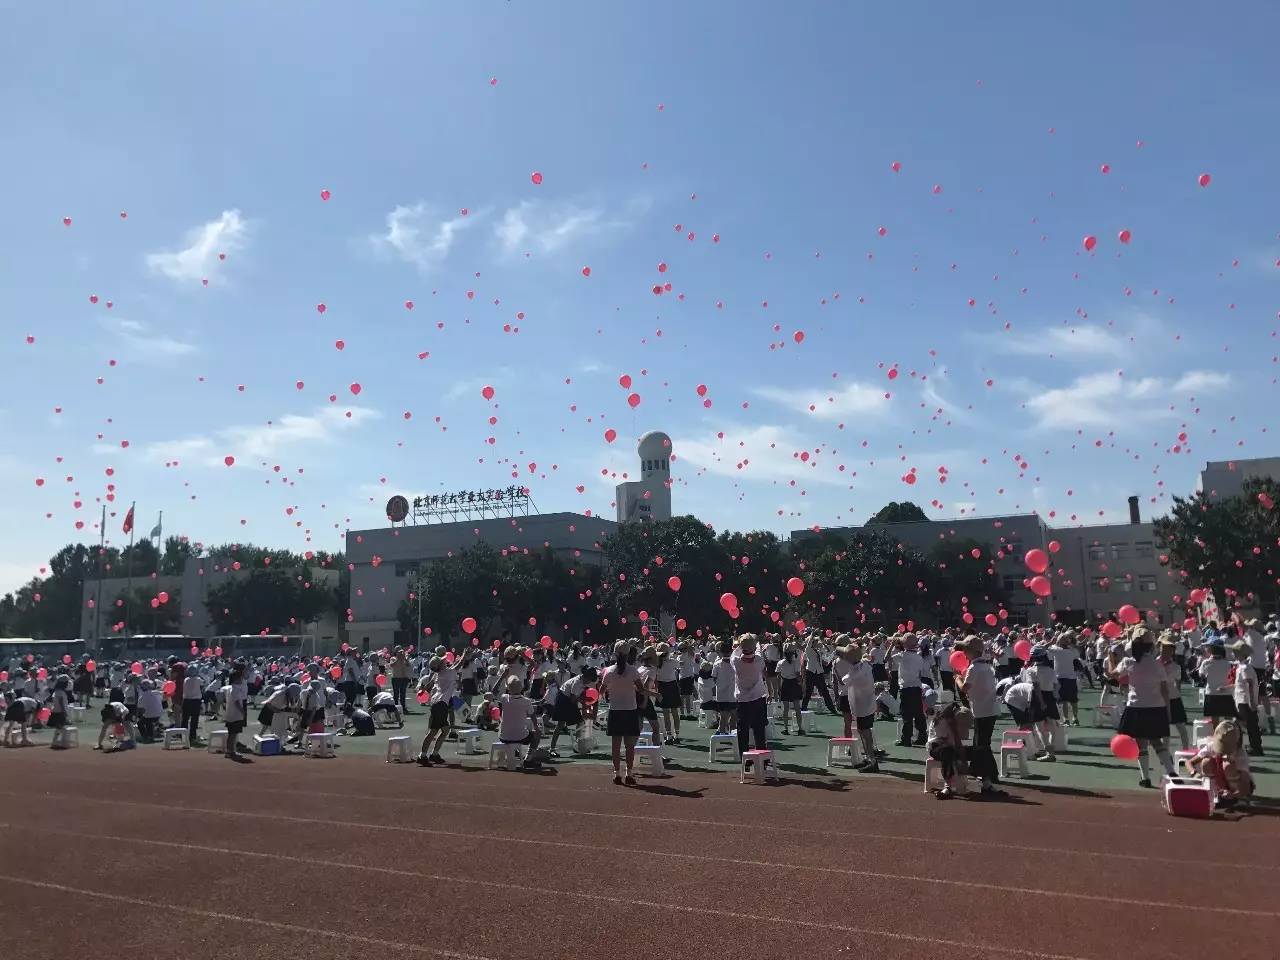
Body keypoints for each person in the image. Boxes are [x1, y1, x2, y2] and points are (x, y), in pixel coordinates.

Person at [1115, 631, 1175, 788]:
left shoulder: (1128, 662)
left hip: (1136, 707)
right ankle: (1171, 772)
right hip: (1156, 707)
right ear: (1150, 648)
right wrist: (1167, 710)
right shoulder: (1157, 665)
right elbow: (1165, 690)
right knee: (1157, 741)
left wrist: (1110, 656)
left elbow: (1111, 674)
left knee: (1141, 744)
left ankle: (1145, 778)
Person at [958, 636, 1003, 797]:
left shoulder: (974, 668)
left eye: (965, 649)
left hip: (982, 711)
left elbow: (964, 688)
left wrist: (957, 678)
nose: (963, 652)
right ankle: (989, 776)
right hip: (989, 709)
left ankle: (987, 779)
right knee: (983, 744)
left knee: (980, 746)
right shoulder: (987, 666)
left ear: (972, 651)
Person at [600, 642, 644, 784]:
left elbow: (601, 690)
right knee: (629, 745)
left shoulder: (609, 671)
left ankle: (617, 773)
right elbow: (641, 689)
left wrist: (609, 691)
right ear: (628, 654)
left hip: (615, 710)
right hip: (630, 709)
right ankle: (629, 773)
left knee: (616, 745)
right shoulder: (633, 671)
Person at [833, 643, 880, 773]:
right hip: (867, 704)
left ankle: (872, 760)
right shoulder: (864, 665)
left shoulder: (855, 673)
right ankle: (869, 758)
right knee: (863, 731)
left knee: (865, 732)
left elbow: (843, 681)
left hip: (863, 706)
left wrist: (835, 670)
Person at [1189, 719, 1254, 807]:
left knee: (1228, 765)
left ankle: (1239, 799)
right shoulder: (1211, 746)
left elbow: (1246, 786)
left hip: (1240, 788)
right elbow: (1189, 762)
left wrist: (1234, 794)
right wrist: (1194, 773)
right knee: (1206, 762)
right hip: (1221, 784)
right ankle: (1214, 792)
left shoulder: (1240, 754)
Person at [731, 634, 769, 757]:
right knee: (759, 731)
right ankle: (763, 759)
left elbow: (735, 653)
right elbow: (758, 650)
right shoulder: (758, 660)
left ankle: (744, 759)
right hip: (758, 699)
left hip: (742, 701)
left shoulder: (736, 661)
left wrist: (739, 645)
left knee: (743, 732)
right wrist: (755, 642)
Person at [496, 675, 542, 771]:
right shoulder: (526, 701)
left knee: (510, 729)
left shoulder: (504, 698)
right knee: (536, 735)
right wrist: (536, 728)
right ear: (521, 687)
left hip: (503, 737)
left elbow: (493, 691)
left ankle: (514, 752)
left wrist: (502, 677)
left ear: (508, 687)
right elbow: (533, 716)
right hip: (521, 737)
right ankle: (528, 760)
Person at [927, 701, 972, 799]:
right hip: (936, 748)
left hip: (951, 746)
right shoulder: (941, 722)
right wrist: (955, 730)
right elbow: (949, 743)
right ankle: (948, 786)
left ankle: (985, 782)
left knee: (978, 751)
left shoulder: (959, 724)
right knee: (949, 753)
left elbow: (958, 744)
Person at [548, 666, 597, 757]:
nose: (590, 682)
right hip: (563, 700)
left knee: (580, 722)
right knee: (560, 724)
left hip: (568, 699)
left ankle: (578, 746)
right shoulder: (577, 683)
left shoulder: (583, 681)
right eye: (590, 679)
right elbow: (573, 699)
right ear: (586, 676)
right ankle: (552, 749)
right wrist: (584, 700)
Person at [890, 633, 929, 747]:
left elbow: (886, 659)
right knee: (918, 713)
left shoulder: (902, 655)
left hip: (906, 687)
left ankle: (906, 738)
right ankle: (922, 737)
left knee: (906, 714)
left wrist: (892, 646)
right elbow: (920, 673)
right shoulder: (919, 656)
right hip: (916, 686)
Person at [417, 655, 456, 766]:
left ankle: (434, 754)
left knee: (445, 730)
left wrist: (422, 691)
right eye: (442, 661)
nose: (445, 661)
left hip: (437, 703)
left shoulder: (436, 674)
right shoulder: (448, 672)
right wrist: (464, 655)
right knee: (433, 732)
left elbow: (428, 686)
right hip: (440, 704)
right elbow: (460, 664)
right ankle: (422, 755)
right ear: (440, 665)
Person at [1230, 640, 1264, 757]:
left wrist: (1252, 702)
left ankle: (1241, 748)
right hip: (1243, 699)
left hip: (1245, 701)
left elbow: (1249, 684)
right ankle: (1256, 747)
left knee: (1240, 724)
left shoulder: (1244, 668)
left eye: (1236, 652)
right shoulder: (1243, 666)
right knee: (1250, 725)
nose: (1234, 653)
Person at [1157, 638, 1191, 750]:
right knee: (1163, 727)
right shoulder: (1154, 664)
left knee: (1181, 727)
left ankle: (1186, 750)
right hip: (1158, 699)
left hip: (1173, 699)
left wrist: (1177, 696)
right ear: (1159, 649)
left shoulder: (1176, 667)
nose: (1166, 652)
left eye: (1169, 650)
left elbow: (1178, 684)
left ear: (1173, 652)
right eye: (1163, 649)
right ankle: (1165, 752)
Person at [1198, 641, 1234, 725]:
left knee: (1215, 721)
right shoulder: (1228, 664)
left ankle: (1216, 737)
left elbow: (1201, 675)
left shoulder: (1206, 662)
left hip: (1211, 693)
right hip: (1226, 694)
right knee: (1228, 720)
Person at [800, 635, 837, 714]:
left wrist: (832, 654)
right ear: (812, 643)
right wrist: (812, 634)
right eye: (816, 642)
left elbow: (826, 660)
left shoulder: (818, 651)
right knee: (808, 692)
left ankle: (832, 708)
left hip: (819, 673)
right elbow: (809, 643)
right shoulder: (808, 649)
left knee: (824, 691)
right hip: (810, 672)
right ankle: (803, 708)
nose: (817, 643)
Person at [653, 642, 682, 744]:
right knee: (674, 712)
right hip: (671, 686)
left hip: (664, 687)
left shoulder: (656, 664)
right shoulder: (672, 662)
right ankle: (676, 735)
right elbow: (680, 664)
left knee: (666, 713)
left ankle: (670, 736)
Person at [221, 663, 250, 762]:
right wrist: (242, 712)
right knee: (233, 734)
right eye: (240, 678)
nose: (241, 679)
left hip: (231, 714)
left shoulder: (230, 688)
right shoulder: (235, 689)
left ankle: (230, 750)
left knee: (231, 734)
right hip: (235, 715)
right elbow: (237, 702)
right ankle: (230, 751)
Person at [777, 643, 805, 734]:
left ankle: (786, 729)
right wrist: (801, 684)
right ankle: (800, 728)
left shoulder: (780, 663)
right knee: (797, 707)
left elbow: (779, 676)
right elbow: (797, 675)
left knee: (786, 708)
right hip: (794, 684)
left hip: (785, 684)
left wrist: (778, 688)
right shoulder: (795, 662)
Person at [711, 640, 737, 734]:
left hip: (722, 696)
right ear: (731, 651)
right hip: (733, 696)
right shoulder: (735, 663)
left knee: (723, 718)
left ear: (721, 652)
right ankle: (733, 737)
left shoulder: (717, 664)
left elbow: (714, 678)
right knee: (734, 718)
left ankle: (722, 736)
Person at [181, 669, 205, 745]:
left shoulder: (186, 679)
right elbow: (203, 683)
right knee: (194, 719)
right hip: (195, 701)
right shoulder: (198, 679)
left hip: (186, 700)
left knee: (185, 719)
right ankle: (192, 736)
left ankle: (183, 736)